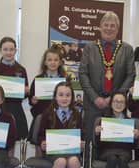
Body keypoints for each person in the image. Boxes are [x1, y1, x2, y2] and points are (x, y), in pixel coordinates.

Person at [79, 11, 135, 142]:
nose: (109, 28)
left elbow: (130, 75)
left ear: (117, 29)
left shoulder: (127, 49)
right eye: (106, 25)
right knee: (90, 141)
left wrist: (114, 98)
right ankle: (88, 163)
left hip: (117, 105)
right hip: (93, 104)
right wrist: (95, 98)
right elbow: (82, 74)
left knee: (114, 144)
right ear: (100, 27)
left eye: (112, 25)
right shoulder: (89, 48)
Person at [0, 36, 29, 140]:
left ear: (15, 50)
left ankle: (10, 157)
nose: (8, 52)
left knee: (11, 140)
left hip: (16, 109)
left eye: (11, 49)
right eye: (5, 49)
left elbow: (25, 95)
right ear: (0, 51)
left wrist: (26, 92)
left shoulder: (21, 69)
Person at [38, 82, 84, 168]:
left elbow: (82, 134)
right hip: (54, 152)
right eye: (61, 95)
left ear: (72, 98)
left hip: (72, 151)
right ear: (55, 97)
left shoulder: (76, 114)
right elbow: (40, 135)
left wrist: (82, 143)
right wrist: (42, 142)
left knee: (73, 161)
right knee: (61, 161)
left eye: (68, 95)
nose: (64, 98)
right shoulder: (47, 113)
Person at [94, 91, 139, 168]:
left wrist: (136, 137)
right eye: (116, 101)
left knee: (122, 159)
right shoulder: (104, 121)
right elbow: (98, 145)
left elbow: (134, 146)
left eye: (121, 102)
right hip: (106, 152)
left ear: (125, 105)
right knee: (113, 158)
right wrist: (97, 134)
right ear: (111, 104)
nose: (118, 104)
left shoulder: (130, 123)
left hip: (124, 153)